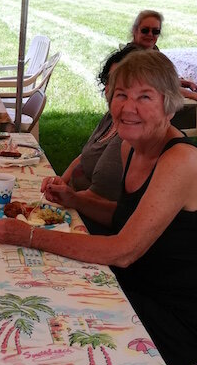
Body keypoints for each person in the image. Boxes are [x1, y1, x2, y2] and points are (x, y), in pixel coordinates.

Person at [0, 50, 197, 365]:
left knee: (56, 328)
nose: (128, 107)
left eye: (144, 96)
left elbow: (123, 250)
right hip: (144, 285)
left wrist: (30, 235)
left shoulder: (181, 161)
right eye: (121, 95)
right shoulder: (130, 145)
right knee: (40, 290)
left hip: (186, 319)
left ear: (169, 104)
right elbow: (126, 217)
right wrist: (75, 200)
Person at [39, 44, 140, 235]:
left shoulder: (127, 138)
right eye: (111, 80)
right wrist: (61, 181)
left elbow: (103, 201)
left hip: (91, 221)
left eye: (125, 83)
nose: (113, 88)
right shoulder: (111, 118)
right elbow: (83, 157)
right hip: (77, 204)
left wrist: (69, 198)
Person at [128, 9, 197, 162]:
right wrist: (193, 94)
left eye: (156, 31)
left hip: (171, 102)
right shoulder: (134, 57)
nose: (150, 35)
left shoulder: (151, 51)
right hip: (165, 113)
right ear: (134, 30)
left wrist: (182, 82)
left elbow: (161, 78)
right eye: (145, 30)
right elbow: (157, 86)